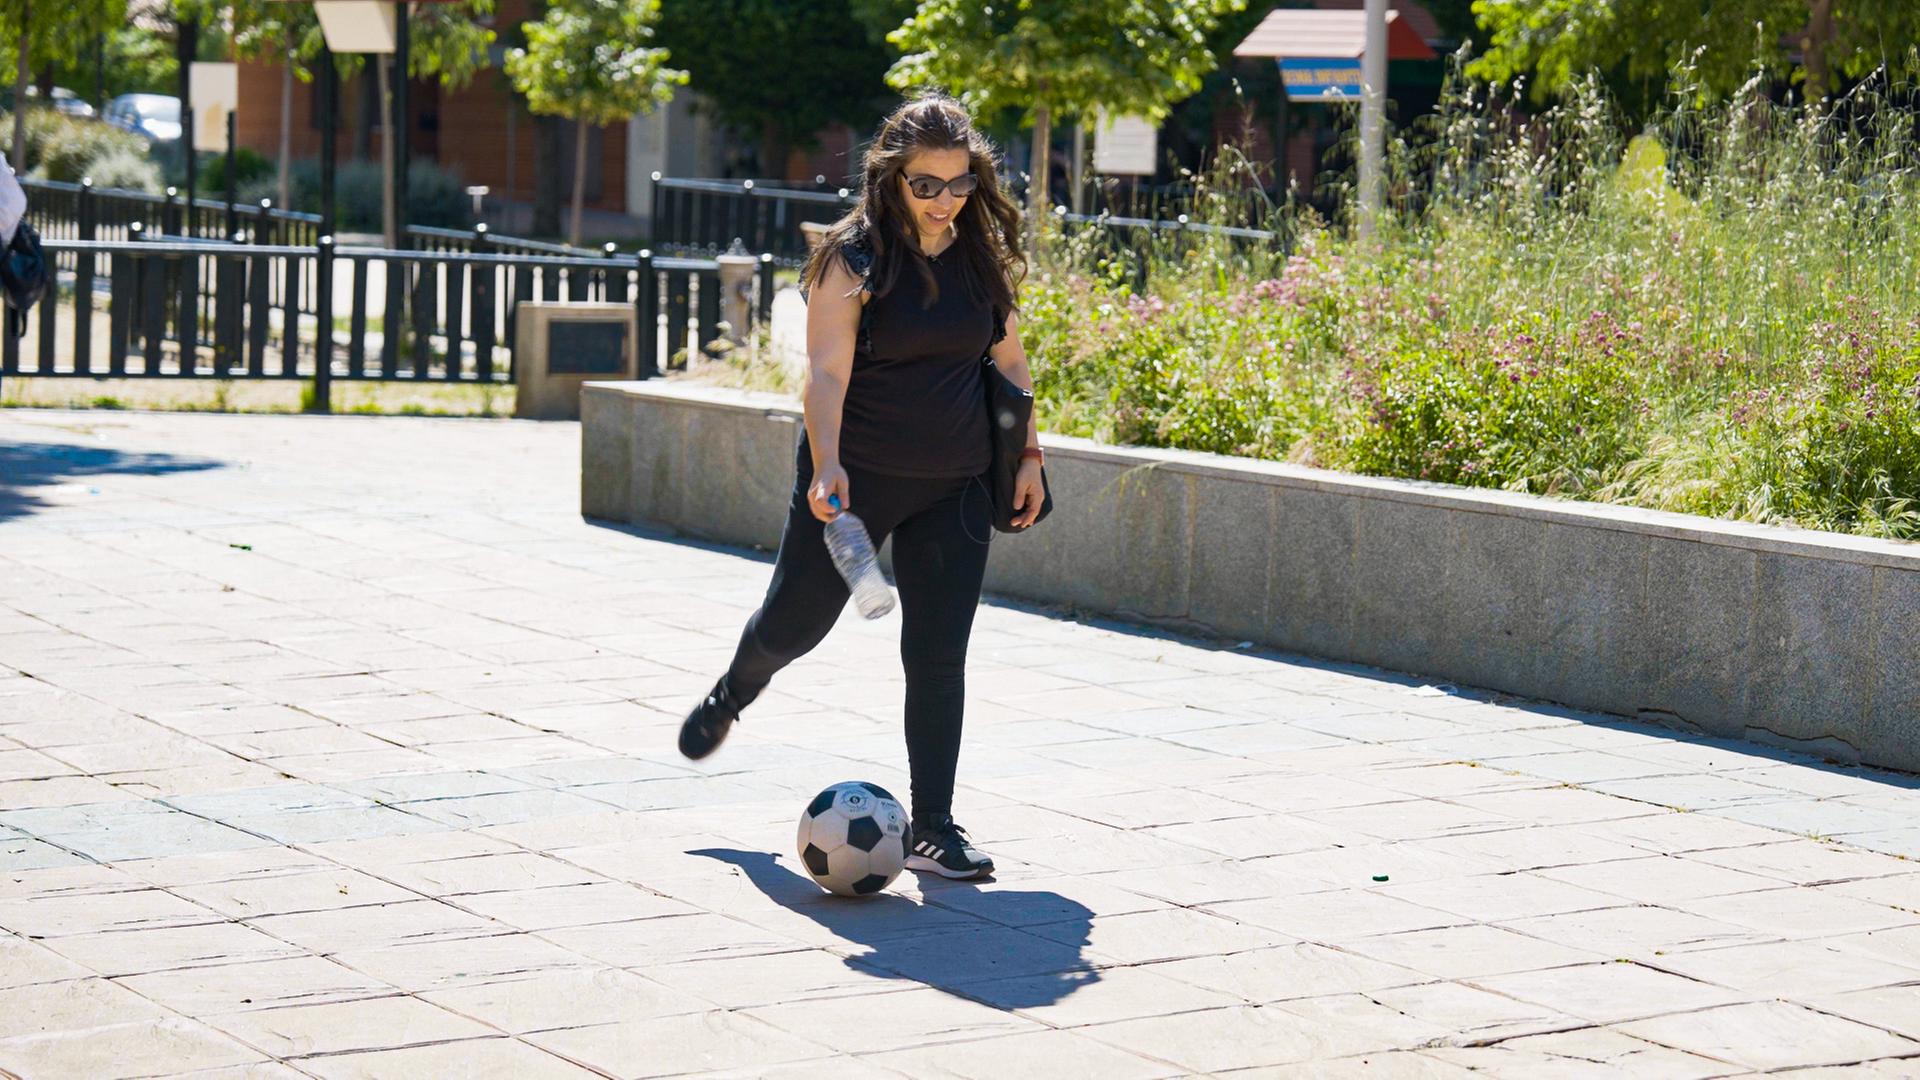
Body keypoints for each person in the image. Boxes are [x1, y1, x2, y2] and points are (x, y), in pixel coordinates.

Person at [678, 94, 1047, 881]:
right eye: (927, 185)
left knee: (939, 655)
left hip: (956, 485)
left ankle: (934, 827)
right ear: (891, 179)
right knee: (792, 627)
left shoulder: (979, 255)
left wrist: (1030, 457)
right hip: (855, 482)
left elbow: (1010, 364)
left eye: (959, 183)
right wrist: (828, 463)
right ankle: (733, 693)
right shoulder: (855, 259)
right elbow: (826, 372)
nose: (945, 200)